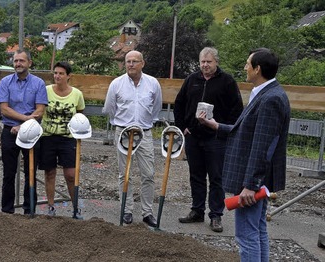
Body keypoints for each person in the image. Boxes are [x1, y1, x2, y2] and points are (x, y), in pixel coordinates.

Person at [197, 48, 289, 261]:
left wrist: (250, 185)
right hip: (257, 180)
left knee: (247, 235)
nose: (245, 68)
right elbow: (247, 133)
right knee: (258, 230)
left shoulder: (270, 99)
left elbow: (262, 146)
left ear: (257, 69)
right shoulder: (267, 93)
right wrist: (216, 125)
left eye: (248, 64)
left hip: (253, 181)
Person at [174, 47, 243, 232]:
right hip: (193, 137)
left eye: (209, 62)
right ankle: (197, 210)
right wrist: (183, 128)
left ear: (216, 62)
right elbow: (179, 103)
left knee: (216, 177)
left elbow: (237, 109)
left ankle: (216, 215)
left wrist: (224, 129)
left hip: (216, 138)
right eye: (202, 62)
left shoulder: (227, 81)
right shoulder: (192, 80)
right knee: (196, 176)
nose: (205, 65)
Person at [102, 50, 162, 227]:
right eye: (128, 61)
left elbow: (156, 106)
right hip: (123, 132)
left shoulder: (152, 83)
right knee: (125, 174)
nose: (131, 64)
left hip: (144, 132)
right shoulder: (116, 84)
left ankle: (147, 212)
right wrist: (120, 124)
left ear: (142, 63)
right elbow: (110, 108)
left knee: (148, 173)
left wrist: (145, 123)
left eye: (135, 61)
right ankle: (127, 210)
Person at [0, 49, 48, 214]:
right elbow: (4, 109)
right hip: (9, 131)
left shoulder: (38, 83)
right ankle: (7, 211)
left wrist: (23, 125)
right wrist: (25, 119)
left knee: (31, 172)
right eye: (16, 61)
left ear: (29, 63)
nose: (18, 64)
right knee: (8, 173)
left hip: (32, 132)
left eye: (22, 61)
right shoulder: (5, 82)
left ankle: (29, 210)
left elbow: (40, 110)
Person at [39, 62, 85, 217]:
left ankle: (75, 207)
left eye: (61, 73)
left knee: (71, 174)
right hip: (48, 136)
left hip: (68, 138)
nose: (57, 76)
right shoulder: (45, 91)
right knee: (50, 172)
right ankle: (51, 206)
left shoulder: (77, 94)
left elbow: (80, 112)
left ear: (68, 76)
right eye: (55, 73)